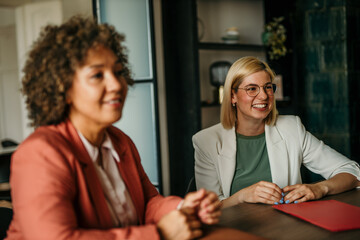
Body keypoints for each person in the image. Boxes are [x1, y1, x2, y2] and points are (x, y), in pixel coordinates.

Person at [6, 16, 221, 240]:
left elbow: (148, 203)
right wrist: (160, 234)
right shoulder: (39, 154)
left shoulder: (120, 141)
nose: (117, 84)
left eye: (118, 72)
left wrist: (182, 209)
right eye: (97, 75)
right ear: (63, 88)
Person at [192, 56, 360, 208]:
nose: (264, 96)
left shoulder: (291, 128)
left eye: (268, 87)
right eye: (251, 88)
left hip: (285, 228)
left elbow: (352, 171)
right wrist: (242, 196)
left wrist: (320, 187)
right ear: (232, 96)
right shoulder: (206, 141)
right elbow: (208, 209)